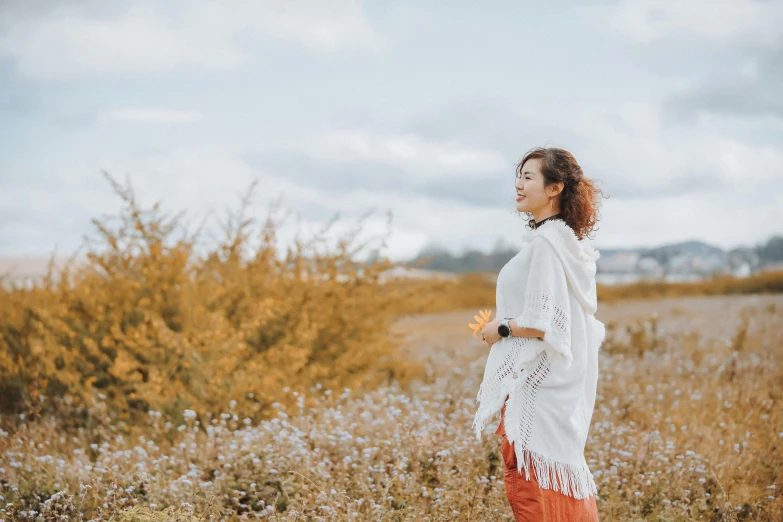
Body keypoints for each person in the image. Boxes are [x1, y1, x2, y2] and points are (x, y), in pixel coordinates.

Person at [473, 147, 607, 521]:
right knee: (555, 494)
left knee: (534, 497)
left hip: (535, 391)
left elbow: (541, 321)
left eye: (529, 177)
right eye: (519, 176)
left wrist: (498, 329)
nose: (518, 184)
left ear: (555, 188)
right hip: (555, 393)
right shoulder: (566, 245)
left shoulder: (548, 246)